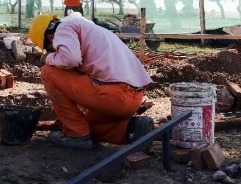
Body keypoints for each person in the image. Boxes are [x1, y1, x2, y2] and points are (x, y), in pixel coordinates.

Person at [29, 13, 153, 149]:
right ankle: (131, 130)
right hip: (132, 99)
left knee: (48, 71)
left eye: (49, 48)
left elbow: (70, 60)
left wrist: (47, 57)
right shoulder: (89, 30)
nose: (54, 50)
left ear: (50, 37)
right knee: (86, 125)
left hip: (113, 95)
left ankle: (75, 135)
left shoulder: (63, 28)